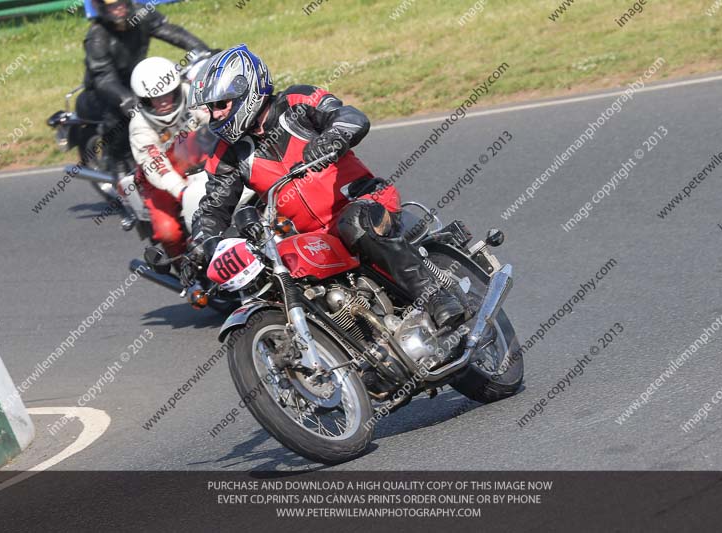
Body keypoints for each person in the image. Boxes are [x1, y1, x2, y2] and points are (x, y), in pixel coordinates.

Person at [188, 45, 465, 328]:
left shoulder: (297, 102)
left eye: (221, 105)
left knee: (354, 223)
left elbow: (352, 117)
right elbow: (212, 209)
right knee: (276, 270)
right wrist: (201, 246)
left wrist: (331, 138)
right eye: (211, 109)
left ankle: (436, 296)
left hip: (365, 200)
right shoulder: (228, 153)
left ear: (247, 92)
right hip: (314, 237)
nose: (216, 115)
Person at [78, 0, 210, 174]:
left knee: (172, 92)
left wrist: (203, 52)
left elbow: (171, 32)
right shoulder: (97, 36)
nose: (118, 8)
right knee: (121, 114)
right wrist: (125, 98)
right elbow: (103, 77)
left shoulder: (141, 15)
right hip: (103, 90)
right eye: (111, 5)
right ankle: (118, 162)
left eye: (121, 3)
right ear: (102, 8)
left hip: (136, 80)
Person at [129, 56, 210, 257]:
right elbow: (157, 164)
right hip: (159, 181)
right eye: (155, 98)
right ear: (145, 100)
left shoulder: (190, 93)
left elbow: (213, 117)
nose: (163, 102)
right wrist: (182, 192)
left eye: (167, 94)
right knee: (169, 232)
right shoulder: (139, 125)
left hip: (198, 161)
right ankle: (186, 275)